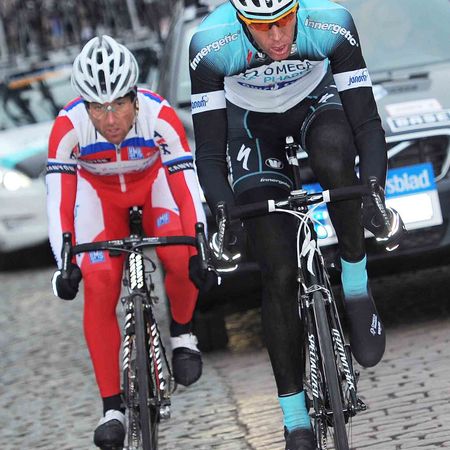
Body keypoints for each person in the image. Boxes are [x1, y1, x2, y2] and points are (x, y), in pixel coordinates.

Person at [188, 1, 405, 448]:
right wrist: (225, 212)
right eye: (262, 27)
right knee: (279, 272)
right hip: (249, 126)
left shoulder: (331, 23)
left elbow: (366, 123)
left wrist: (374, 192)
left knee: (336, 160)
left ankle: (356, 284)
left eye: (285, 21)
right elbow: (208, 154)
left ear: (299, 9)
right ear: (241, 21)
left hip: (314, 104)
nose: (278, 37)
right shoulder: (210, 45)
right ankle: (295, 419)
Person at [46, 35, 206, 449]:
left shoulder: (160, 115)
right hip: (99, 198)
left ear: (135, 97)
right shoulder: (68, 127)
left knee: (180, 252)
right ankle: (111, 408)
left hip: (153, 186)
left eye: (118, 104)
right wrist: (64, 263)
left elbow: (186, 186)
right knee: (99, 284)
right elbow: (59, 200)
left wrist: (200, 244)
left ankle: (183, 335)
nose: (110, 118)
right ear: (85, 106)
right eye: (98, 107)